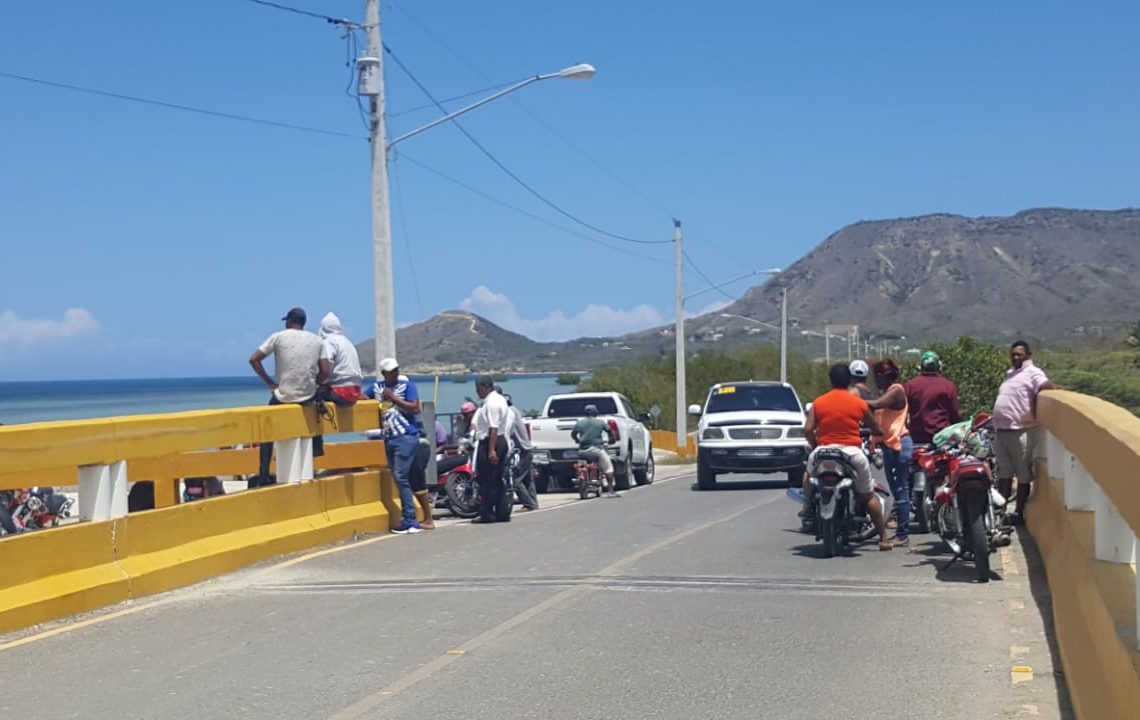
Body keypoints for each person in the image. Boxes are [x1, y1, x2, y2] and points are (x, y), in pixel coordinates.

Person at [803, 363, 892, 551]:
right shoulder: (858, 402)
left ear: (831, 380)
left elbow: (808, 429)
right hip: (851, 452)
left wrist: (815, 445)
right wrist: (877, 433)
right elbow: (874, 427)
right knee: (868, 495)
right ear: (850, 381)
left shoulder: (819, 402)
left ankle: (806, 507)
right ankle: (883, 538)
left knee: (808, 476)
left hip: (824, 451)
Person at [249, 307, 323, 488]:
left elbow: (254, 360)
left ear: (289, 321)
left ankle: (264, 471)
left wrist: (270, 383)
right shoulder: (317, 340)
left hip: (284, 396)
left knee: (266, 428)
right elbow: (326, 370)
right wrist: (314, 383)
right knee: (316, 415)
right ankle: (316, 450)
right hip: (308, 397)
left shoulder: (279, 337)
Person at [992, 341, 1060, 526]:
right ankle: (1001, 513)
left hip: (1020, 430)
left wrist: (1055, 389)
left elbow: (1045, 385)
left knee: (1023, 474)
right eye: (1013, 354)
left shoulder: (1033, 373)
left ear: (1028, 355)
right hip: (1001, 430)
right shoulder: (1010, 374)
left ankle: (1019, 513)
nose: (1015, 357)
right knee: (1004, 473)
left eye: (1019, 354)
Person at [365, 357, 425, 534]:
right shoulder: (376, 388)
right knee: (400, 477)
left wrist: (393, 398)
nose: (395, 373)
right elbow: (363, 397)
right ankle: (409, 518)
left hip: (405, 437)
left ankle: (410, 520)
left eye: (396, 370)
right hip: (389, 437)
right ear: (384, 373)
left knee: (400, 476)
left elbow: (415, 407)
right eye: (391, 371)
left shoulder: (408, 386)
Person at [868, 358, 913, 547]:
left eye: (876, 377)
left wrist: (850, 401)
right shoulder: (890, 391)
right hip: (890, 445)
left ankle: (903, 534)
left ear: (883, 377)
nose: (875, 381)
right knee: (897, 489)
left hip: (898, 445)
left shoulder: (896, 391)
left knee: (901, 490)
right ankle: (901, 529)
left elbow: (876, 404)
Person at [472, 376, 512, 523]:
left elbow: (493, 428)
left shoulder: (492, 403)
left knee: (487, 480)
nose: (477, 392)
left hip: (491, 441)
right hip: (500, 441)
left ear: (484, 387)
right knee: (497, 479)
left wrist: (491, 450)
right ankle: (501, 512)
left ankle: (487, 513)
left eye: (478, 389)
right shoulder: (500, 399)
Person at [904, 351, 961, 445]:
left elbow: (904, 413)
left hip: (917, 438)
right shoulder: (948, 386)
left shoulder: (910, 385)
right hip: (942, 437)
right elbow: (954, 414)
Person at [571, 404, 618, 497]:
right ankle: (610, 491)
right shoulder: (600, 422)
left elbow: (573, 434)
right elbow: (609, 431)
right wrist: (612, 439)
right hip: (596, 450)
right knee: (609, 468)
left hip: (582, 452)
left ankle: (582, 478)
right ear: (595, 413)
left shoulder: (579, 423)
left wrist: (577, 440)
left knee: (581, 466)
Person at [317, 312, 363, 405]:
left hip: (341, 392)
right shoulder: (348, 342)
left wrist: (318, 382)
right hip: (355, 391)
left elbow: (326, 368)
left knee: (312, 397)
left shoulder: (329, 342)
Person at [505, 393, 539, 511]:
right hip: (527, 448)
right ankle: (533, 503)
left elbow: (507, 432)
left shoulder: (509, 413)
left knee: (515, 478)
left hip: (522, 450)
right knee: (528, 479)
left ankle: (528, 503)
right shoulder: (515, 410)